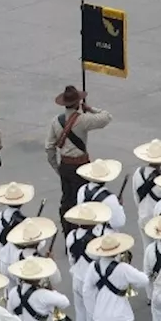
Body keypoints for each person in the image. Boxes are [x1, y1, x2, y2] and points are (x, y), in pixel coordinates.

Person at [44, 85, 111, 231]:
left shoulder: (56, 121)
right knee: (81, 199)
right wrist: (91, 108)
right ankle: (81, 229)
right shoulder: (84, 119)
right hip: (81, 166)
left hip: (65, 165)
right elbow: (106, 117)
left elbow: (49, 147)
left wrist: (57, 167)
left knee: (67, 198)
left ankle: (67, 228)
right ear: (78, 103)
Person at [63, 200, 110, 321]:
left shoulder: (71, 236)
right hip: (91, 280)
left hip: (76, 276)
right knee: (92, 317)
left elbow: (71, 259)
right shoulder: (97, 240)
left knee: (81, 316)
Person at [131, 139, 161, 261]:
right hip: (157, 221)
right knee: (160, 253)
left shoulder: (138, 172)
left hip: (142, 216)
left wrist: (141, 209)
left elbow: (136, 196)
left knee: (147, 250)